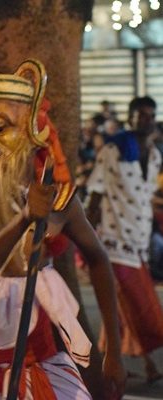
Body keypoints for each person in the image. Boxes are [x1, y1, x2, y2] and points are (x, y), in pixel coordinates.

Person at [0, 60, 126, 399]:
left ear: (29, 131)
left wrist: (113, 349)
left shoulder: (57, 199)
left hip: (39, 357)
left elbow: (99, 260)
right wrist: (24, 219)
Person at [87, 95, 163, 383]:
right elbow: (95, 191)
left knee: (119, 308)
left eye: (150, 115)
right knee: (139, 306)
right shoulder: (113, 148)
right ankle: (148, 366)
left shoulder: (154, 155)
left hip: (139, 245)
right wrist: (87, 241)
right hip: (114, 243)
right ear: (130, 118)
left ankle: (113, 364)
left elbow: (145, 199)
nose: (146, 119)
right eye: (140, 115)